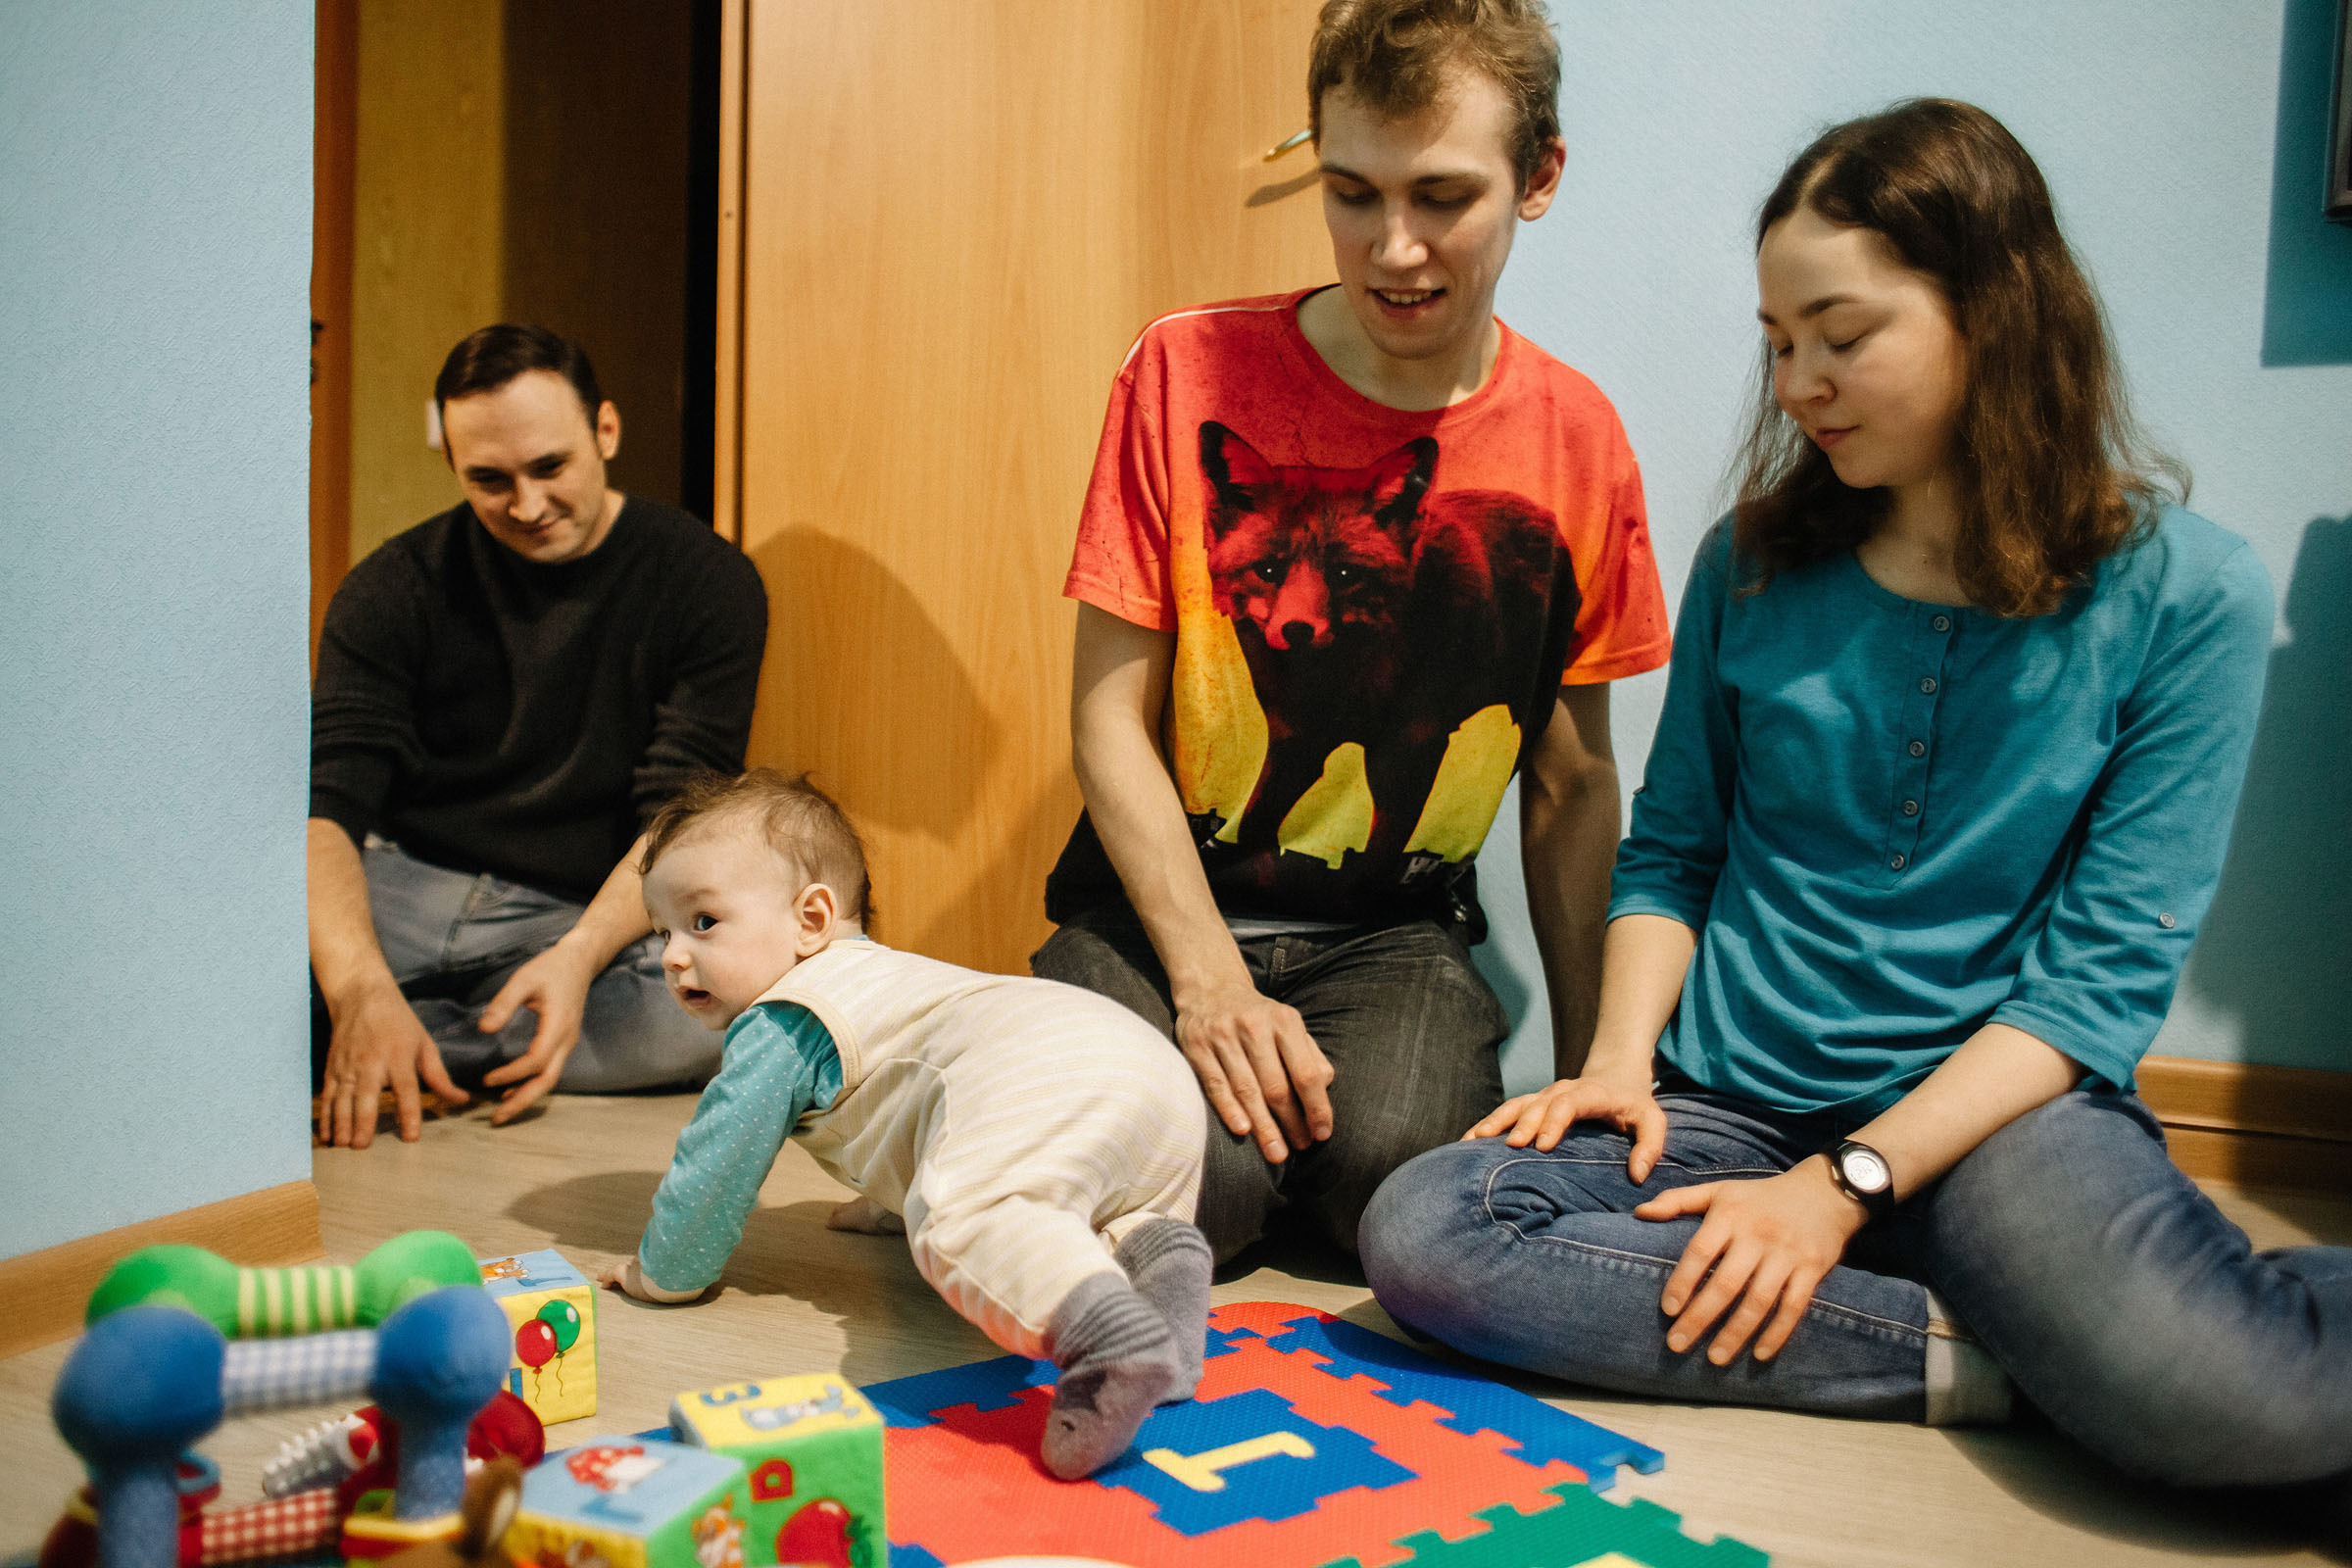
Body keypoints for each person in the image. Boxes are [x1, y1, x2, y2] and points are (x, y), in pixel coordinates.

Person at [1359, 99, 2352, 1488]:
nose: (1797, 383)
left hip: (2004, 1116)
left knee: (2239, 1406)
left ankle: (2092, 1338)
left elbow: (2096, 988)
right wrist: (1615, 1068)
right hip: (1728, 1099)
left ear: (1994, 312)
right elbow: (1672, 861)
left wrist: (1846, 1191)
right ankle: (2000, 1358)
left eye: (1841, 335)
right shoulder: (1752, 564)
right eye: (1777, 344)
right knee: (1431, 1231)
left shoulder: (2192, 595)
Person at [1032, 0, 1671, 1266]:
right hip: (1163, 912)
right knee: (1187, 1186)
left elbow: (1571, 780)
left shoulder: (1575, 441)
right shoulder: (1182, 371)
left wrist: (1600, 1072)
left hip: (1393, 934)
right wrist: (1210, 981)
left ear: (1538, 175)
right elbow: (1107, 718)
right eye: (1351, 192)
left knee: (1387, 1186)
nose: (1394, 248)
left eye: (1443, 197)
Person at [600, 769, 1213, 1480]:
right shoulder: (883, 982)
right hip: (1140, 1056)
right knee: (1114, 1201)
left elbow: (716, 1164)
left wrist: (664, 1272)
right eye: (662, 932)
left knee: (961, 1220)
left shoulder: (781, 1020)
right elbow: (923, 1100)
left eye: (703, 922)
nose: (673, 956)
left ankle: (1105, 1337)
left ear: (810, 919)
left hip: (1043, 1060)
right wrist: (887, 1201)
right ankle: (1161, 1267)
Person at [311, 324, 769, 1149]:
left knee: (721, 1010)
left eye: (549, 467)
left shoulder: (708, 581)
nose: (526, 505)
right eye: (489, 480)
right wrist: (356, 984)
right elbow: (327, 808)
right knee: (226, 943)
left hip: (580, 906)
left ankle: (395, 1046)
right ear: (452, 465)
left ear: (606, 431)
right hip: (406, 886)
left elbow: (680, 815)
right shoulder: (390, 588)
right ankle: (379, 1023)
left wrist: (581, 954)